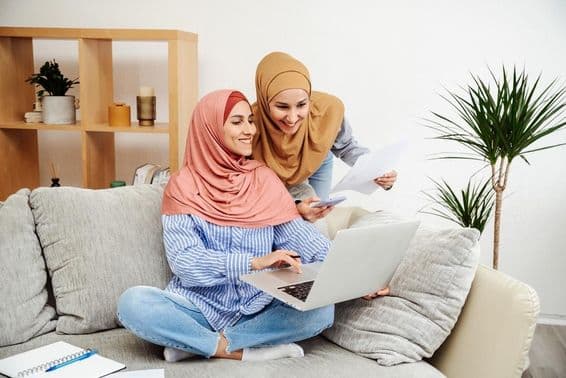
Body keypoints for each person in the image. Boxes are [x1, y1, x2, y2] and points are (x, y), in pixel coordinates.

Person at [116, 89, 335, 362]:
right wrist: (254, 263)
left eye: (250, 121)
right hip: (198, 306)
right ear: (210, 128)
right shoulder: (182, 186)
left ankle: (204, 344)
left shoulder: (264, 180)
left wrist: (353, 273)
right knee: (133, 303)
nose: (249, 130)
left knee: (322, 309)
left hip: (257, 306)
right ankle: (247, 351)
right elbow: (185, 262)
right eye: (236, 122)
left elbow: (303, 240)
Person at [252, 52, 397, 222]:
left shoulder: (328, 110)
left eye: (301, 105)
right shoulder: (248, 125)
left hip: (319, 158)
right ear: (264, 99)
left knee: (317, 217)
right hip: (278, 177)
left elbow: (346, 146)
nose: (292, 118)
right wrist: (295, 204)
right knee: (301, 217)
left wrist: (378, 171)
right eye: (282, 107)